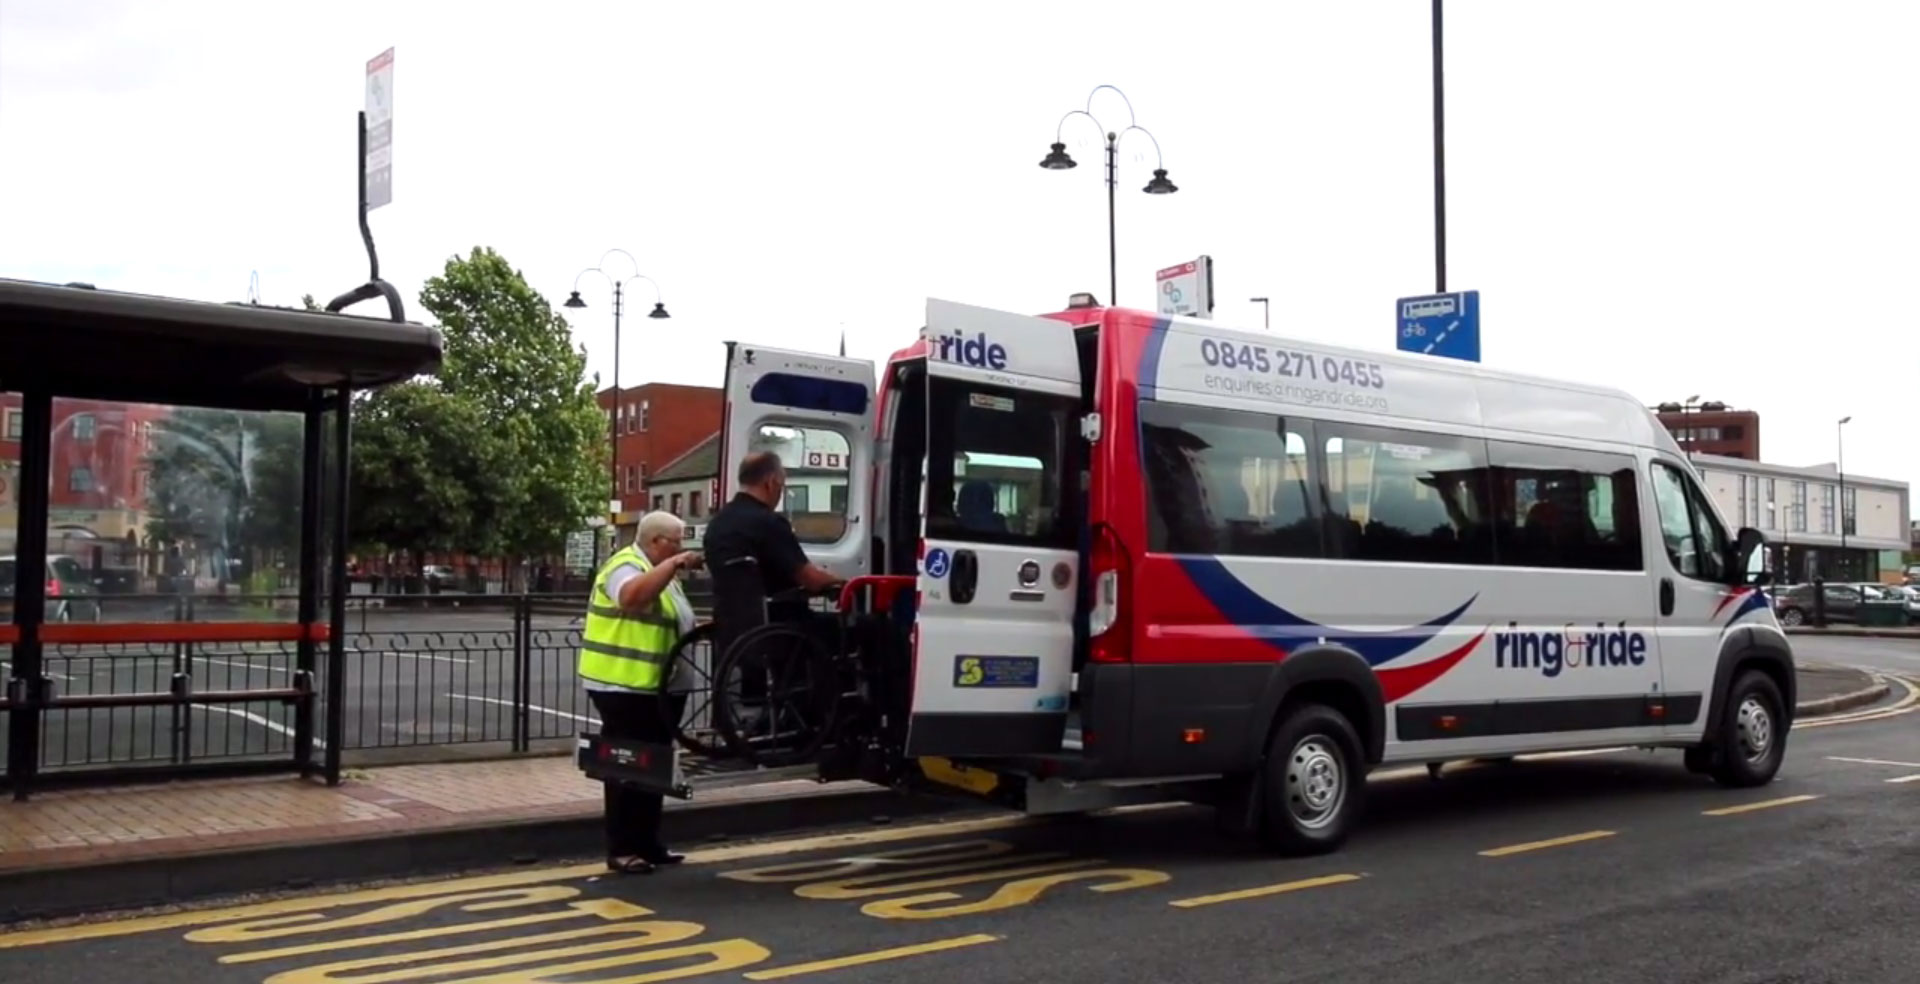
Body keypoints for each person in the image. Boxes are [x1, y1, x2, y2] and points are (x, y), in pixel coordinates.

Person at [579, 510, 701, 875]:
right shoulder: (625, 565)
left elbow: (667, 620)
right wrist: (676, 564)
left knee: (655, 766)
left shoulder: (661, 573)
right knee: (626, 765)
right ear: (655, 542)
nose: (682, 549)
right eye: (676, 542)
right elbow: (631, 598)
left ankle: (648, 843)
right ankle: (622, 848)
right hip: (624, 686)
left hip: (654, 689)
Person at [703, 451, 844, 660]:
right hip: (781, 626)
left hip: (732, 626)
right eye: (781, 486)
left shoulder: (717, 523)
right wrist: (843, 583)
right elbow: (811, 580)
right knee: (867, 628)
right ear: (770, 482)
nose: (780, 493)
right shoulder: (769, 523)